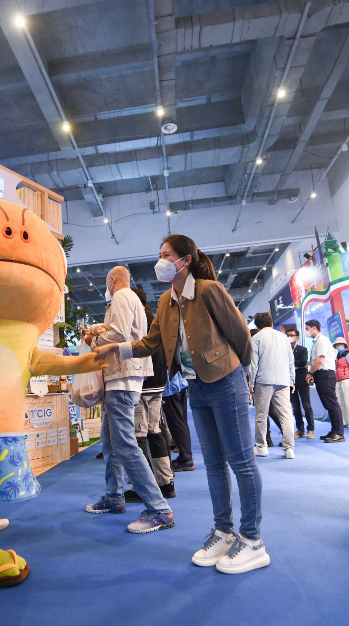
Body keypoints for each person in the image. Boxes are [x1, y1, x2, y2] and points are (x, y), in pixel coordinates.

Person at [94, 235, 267, 575]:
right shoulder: (165, 301)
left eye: (166, 254)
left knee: (241, 461)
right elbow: (149, 343)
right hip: (195, 385)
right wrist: (114, 348)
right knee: (213, 463)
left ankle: (253, 539)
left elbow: (240, 335)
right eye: (159, 254)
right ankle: (223, 531)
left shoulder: (209, 290)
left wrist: (239, 372)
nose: (160, 261)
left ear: (185, 260)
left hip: (226, 381)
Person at [84, 266, 175, 534]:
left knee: (125, 445)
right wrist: (99, 332)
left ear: (112, 280)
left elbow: (121, 334)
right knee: (110, 442)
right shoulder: (128, 299)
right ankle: (115, 496)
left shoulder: (121, 296)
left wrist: (94, 339)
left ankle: (159, 508)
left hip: (123, 380)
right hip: (121, 378)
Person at [125, 288, 175, 501]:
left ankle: (142, 487)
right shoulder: (154, 318)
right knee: (155, 431)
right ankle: (166, 483)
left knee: (138, 435)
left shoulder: (134, 319)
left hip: (140, 382)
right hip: (158, 383)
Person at [249, 313, 295, 459]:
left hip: (264, 379)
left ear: (257, 325)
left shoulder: (256, 338)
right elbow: (291, 360)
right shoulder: (284, 337)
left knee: (261, 414)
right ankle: (289, 448)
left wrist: (251, 383)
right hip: (283, 379)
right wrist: (292, 381)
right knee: (286, 414)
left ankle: (261, 446)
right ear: (271, 323)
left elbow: (253, 363)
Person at [305, 320, 344, 443]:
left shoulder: (322, 340)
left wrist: (310, 372)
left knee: (332, 404)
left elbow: (320, 360)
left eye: (307, 328)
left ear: (314, 328)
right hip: (321, 375)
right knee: (328, 404)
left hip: (325, 374)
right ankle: (334, 430)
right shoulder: (316, 342)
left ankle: (339, 433)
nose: (306, 331)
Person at [286, 327, 315, 439]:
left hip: (302, 379)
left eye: (291, 335)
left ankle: (311, 429)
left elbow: (303, 361)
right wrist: (297, 363)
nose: (289, 337)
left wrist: (290, 362)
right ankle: (300, 429)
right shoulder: (284, 349)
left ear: (297, 337)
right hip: (290, 381)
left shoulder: (303, 349)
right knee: (295, 407)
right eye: (288, 335)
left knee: (306, 405)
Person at [163, 371, 192, 471]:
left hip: (171, 386)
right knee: (181, 422)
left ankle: (186, 459)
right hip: (180, 383)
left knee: (177, 423)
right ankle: (186, 457)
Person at [333, 337, 349, 429]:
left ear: (344, 345)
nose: (338, 346)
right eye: (337, 344)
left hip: (347, 380)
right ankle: (345, 421)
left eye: (340, 344)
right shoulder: (338, 356)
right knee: (341, 402)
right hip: (339, 380)